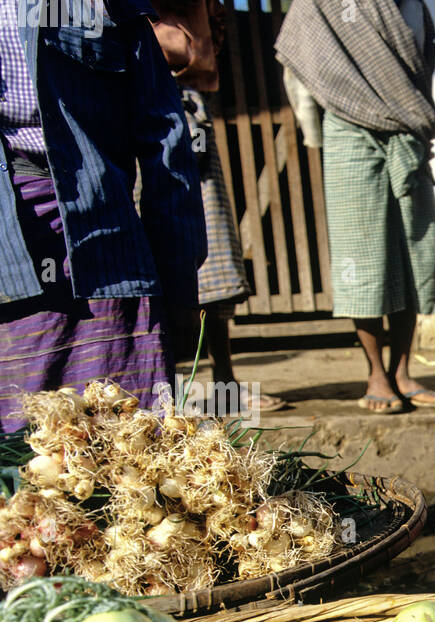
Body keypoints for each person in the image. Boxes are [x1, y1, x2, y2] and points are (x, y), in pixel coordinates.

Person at [0, 0, 205, 433]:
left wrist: (178, 280)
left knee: (133, 445)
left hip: (106, 239)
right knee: (21, 465)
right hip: (8, 248)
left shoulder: (106, 5)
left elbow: (165, 137)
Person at [275, 0, 435, 414]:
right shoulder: (321, 4)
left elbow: (421, 67)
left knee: (414, 253)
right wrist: (315, 136)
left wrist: (413, 118)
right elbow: (299, 68)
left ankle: (403, 371)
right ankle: (375, 373)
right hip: (348, 133)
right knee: (364, 255)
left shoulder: (414, 7)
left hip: (407, 133)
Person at [149, 0, 275, 413]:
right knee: (150, 261)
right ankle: (159, 388)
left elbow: (201, 50)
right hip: (140, 116)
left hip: (188, 116)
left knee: (212, 254)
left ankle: (225, 384)